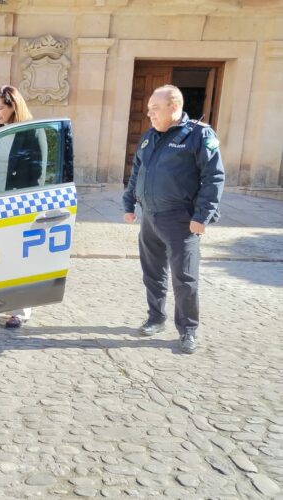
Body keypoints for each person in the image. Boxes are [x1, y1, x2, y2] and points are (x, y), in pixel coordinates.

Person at [123, 84, 224, 354]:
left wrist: (203, 215)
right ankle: (156, 318)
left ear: (174, 107)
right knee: (153, 273)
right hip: (151, 217)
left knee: (185, 279)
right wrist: (129, 202)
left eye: (155, 109)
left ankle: (188, 330)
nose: (149, 115)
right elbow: (137, 172)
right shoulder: (150, 136)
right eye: (148, 110)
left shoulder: (198, 135)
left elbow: (213, 177)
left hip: (181, 220)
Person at [0, 85, 47, 329]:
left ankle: (21, 311)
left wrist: (30, 207)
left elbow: (38, 172)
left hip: (18, 203)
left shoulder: (32, 132)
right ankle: (0, 301)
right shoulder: (0, 131)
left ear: (13, 106)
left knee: (18, 257)